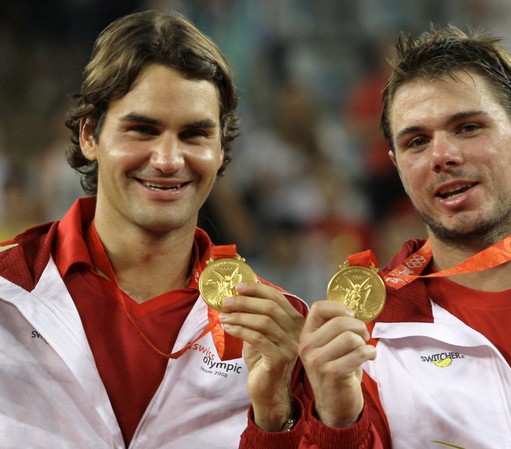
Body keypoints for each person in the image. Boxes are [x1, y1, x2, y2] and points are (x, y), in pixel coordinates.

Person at [0, 9, 307, 449]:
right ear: (90, 135)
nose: (167, 160)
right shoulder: (7, 291)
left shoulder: (279, 326)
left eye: (194, 134)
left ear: (221, 147)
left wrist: (275, 418)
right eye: (142, 130)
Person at [296, 25, 511, 448]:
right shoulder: (363, 337)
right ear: (397, 166)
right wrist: (337, 422)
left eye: (467, 128)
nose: (442, 156)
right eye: (416, 141)